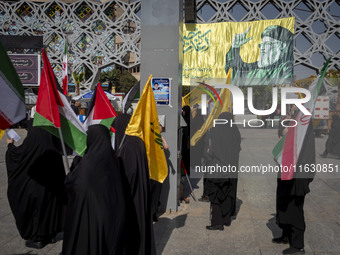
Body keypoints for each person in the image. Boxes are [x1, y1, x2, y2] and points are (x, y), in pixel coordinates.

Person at [61, 124, 132, 255]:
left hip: (92, 220)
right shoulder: (114, 159)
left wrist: (70, 176)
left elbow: (75, 185)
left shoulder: (88, 163)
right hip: (114, 217)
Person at [5, 120, 66, 249]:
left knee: (36, 206)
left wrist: (10, 146)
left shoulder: (33, 142)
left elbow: (17, 157)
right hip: (53, 184)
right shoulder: (52, 141)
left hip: (37, 185)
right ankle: (56, 231)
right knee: (53, 204)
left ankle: (39, 238)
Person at [113, 114, 156, 255]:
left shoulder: (127, 148)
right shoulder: (136, 141)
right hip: (140, 192)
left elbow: (128, 176)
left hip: (132, 198)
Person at [273, 121, 316, 254]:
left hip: (297, 178)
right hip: (287, 175)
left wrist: (287, 135)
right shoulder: (297, 132)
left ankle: (298, 246)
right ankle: (286, 235)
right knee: (284, 205)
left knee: (295, 210)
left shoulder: (304, 136)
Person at [225, 25, 294, 86]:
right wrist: (235, 48)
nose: (262, 48)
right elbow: (233, 70)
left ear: (282, 46)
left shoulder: (285, 69)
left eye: (267, 44)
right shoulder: (254, 67)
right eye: (261, 45)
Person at [206, 112, 241, 230]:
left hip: (217, 168)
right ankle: (226, 219)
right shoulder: (234, 132)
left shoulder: (216, 131)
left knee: (214, 194)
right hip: (231, 169)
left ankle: (217, 222)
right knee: (227, 193)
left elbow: (211, 152)